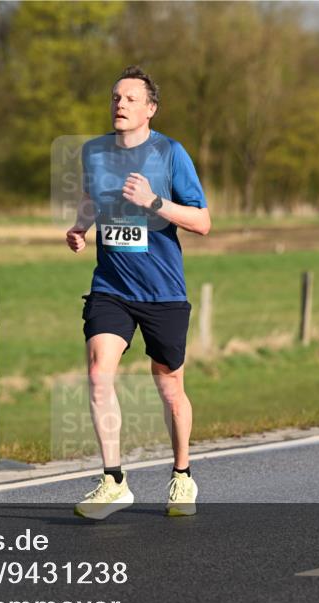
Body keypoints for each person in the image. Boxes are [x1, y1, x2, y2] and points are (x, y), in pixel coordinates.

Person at [65, 65, 211, 520]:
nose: (119, 104)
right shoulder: (94, 152)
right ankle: (113, 481)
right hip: (111, 286)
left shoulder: (171, 154)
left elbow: (203, 222)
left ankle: (182, 474)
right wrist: (81, 227)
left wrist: (154, 202)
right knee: (97, 372)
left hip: (163, 290)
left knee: (170, 387)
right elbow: (93, 196)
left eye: (130, 99)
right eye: (115, 97)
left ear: (150, 109)